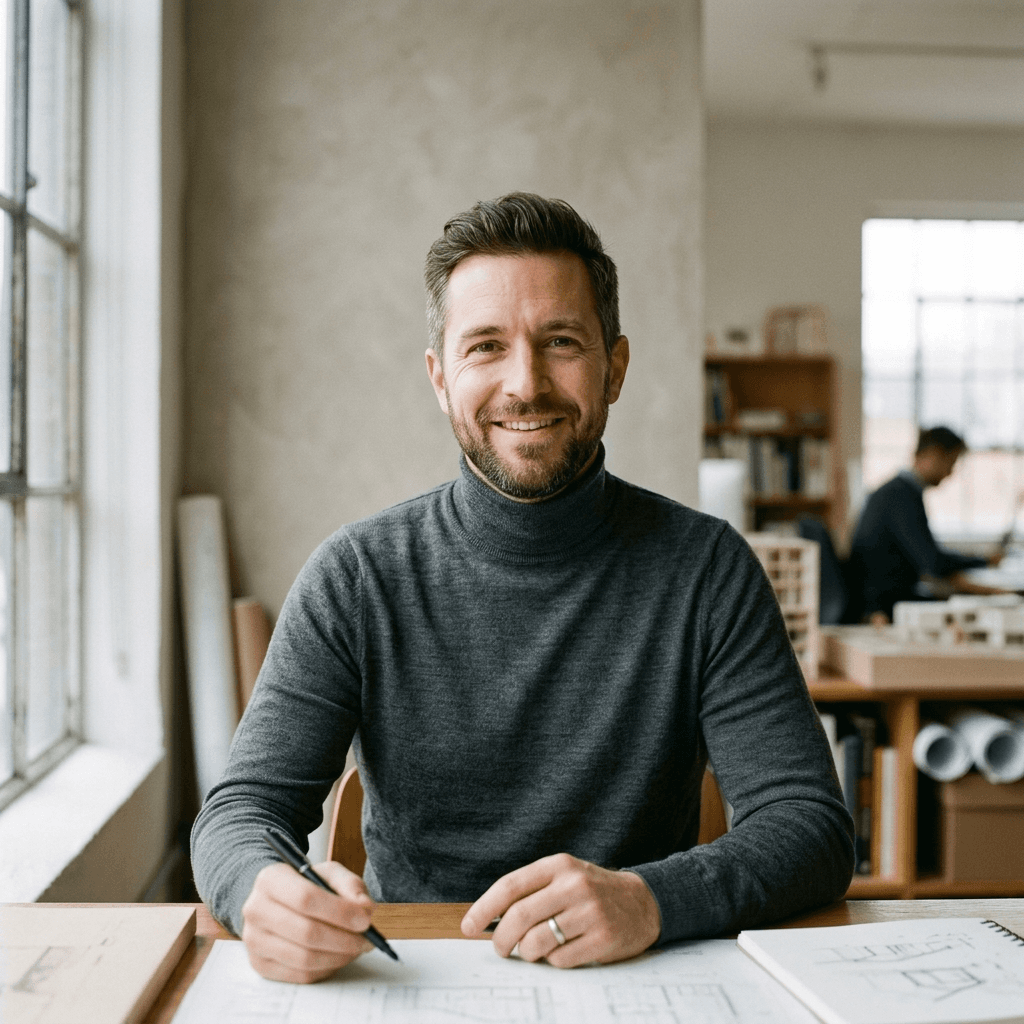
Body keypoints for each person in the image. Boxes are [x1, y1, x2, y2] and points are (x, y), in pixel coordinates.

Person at [191, 192, 854, 983]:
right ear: (441, 378)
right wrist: (261, 890)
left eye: (562, 341)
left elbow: (810, 826)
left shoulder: (707, 569)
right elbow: (239, 815)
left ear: (615, 367)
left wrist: (651, 899)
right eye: (486, 347)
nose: (525, 383)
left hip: (640, 979)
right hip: (413, 976)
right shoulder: (356, 575)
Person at [848, 426, 1005, 625]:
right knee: (975, 614)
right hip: (883, 606)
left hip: (882, 598)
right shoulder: (901, 497)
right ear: (932, 455)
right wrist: (985, 561)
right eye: (951, 462)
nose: (950, 473)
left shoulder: (897, 491)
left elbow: (927, 558)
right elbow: (933, 563)